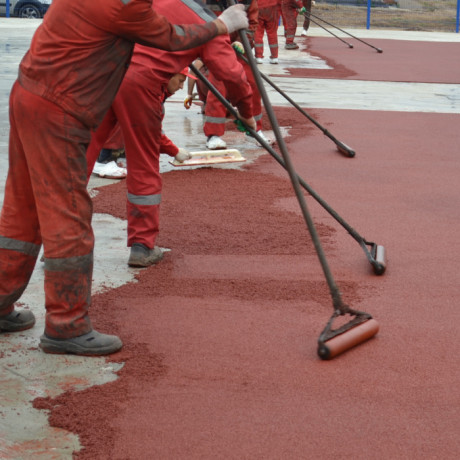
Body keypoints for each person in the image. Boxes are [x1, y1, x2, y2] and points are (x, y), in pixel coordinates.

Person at [0, 0, 249, 356]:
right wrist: (221, 26)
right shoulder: (123, 3)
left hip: (32, 93)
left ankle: (1, 302)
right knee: (67, 213)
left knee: (22, 209)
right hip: (60, 106)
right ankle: (67, 325)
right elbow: (170, 36)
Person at [85, 0, 256, 269]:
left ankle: (60, 240)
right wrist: (247, 111)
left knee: (80, 156)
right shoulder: (210, 24)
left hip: (102, 73)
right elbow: (233, 76)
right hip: (141, 83)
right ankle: (142, 245)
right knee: (143, 164)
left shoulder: (159, 2)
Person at [202, 0, 271, 150]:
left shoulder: (248, 1)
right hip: (217, 44)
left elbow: (252, 23)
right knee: (218, 87)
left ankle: (254, 130)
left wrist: (242, 41)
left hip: (241, 47)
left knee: (253, 84)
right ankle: (213, 135)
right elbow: (202, 18)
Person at [254, 0, 280, 64]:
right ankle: (274, 57)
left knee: (258, 33)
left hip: (258, 6)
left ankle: (258, 57)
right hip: (272, 6)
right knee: (272, 32)